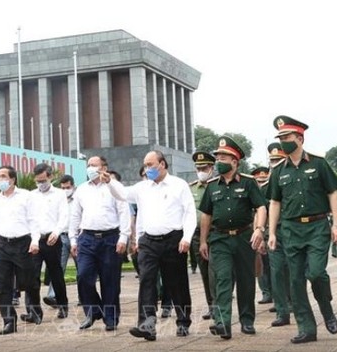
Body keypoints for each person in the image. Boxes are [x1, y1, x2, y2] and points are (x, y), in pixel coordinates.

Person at [267, 116, 337, 344]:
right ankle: (307, 328)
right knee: (296, 280)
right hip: (290, 229)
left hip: (317, 227)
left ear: (300, 138)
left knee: (316, 273)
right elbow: (274, 203)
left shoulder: (319, 164)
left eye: (286, 137)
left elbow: (333, 193)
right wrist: (272, 233)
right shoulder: (279, 170)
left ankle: (326, 308)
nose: (283, 142)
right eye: (280, 138)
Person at [105, 150, 196, 341]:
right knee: (146, 280)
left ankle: (183, 320)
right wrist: (110, 181)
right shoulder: (142, 187)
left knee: (176, 282)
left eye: (151, 165)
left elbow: (189, 213)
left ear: (162, 164)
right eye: (145, 165)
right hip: (149, 241)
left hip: (174, 239)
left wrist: (186, 237)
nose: (147, 169)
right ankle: (147, 323)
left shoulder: (178, 185)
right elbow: (122, 194)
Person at [199, 136, 267, 340]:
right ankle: (222, 323)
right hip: (219, 239)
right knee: (222, 279)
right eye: (217, 157)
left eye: (223, 157)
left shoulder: (248, 183)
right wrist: (203, 240)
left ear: (235, 162)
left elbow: (261, 207)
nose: (218, 160)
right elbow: (206, 215)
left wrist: (260, 229)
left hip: (244, 237)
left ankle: (247, 320)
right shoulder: (212, 186)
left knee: (246, 280)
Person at [69, 156, 130, 331]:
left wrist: (123, 237)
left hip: (110, 238)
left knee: (110, 281)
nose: (90, 168)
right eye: (88, 165)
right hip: (87, 238)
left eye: (94, 165)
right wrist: (73, 239)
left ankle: (110, 317)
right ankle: (93, 310)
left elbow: (123, 211)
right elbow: (75, 215)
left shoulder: (114, 187)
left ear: (104, 167)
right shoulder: (81, 190)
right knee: (83, 276)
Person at [0, 165, 40, 335]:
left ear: (12, 179)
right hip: (3, 244)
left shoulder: (26, 196)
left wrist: (35, 241)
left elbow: (34, 220)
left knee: (29, 282)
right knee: (2, 285)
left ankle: (35, 308)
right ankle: (9, 321)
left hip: (23, 244)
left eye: (4, 176)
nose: (0, 180)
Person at [28, 163, 69, 320]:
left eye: (43, 180)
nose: (41, 184)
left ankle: (63, 305)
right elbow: (30, 219)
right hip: (35, 240)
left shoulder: (59, 194)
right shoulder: (31, 195)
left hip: (52, 239)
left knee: (56, 274)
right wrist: (33, 239)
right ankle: (34, 310)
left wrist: (57, 232)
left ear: (50, 177)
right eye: (38, 181)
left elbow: (64, 216)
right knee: (32, 276)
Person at [263, 142, 292, 326]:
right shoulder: (264, 187)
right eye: (272, 160)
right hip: (274, 233)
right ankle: (282, 310)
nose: (274, 164)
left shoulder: (292, 179)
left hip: (293, 230)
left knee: (295, 271)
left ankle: (294, 302)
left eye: (278, 160)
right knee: (277, 271)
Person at [189, 151, 217, 320]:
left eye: (204, 167)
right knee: (205, 273)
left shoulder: (217, 185)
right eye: (198, 168)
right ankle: (211, 306)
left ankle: (218, 305)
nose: (201, 170)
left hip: (216, 234)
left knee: (215, 272)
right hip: (198, 236)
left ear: (211, 168)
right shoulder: (191, 188)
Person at [44, 174, 77, 306]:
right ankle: (52, 295)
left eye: (67, 187)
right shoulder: (56, 199)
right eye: (62, 188)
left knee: (82, 268)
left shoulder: (78, 198)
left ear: (73, 186)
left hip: (76, 236)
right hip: (61, 236)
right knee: (57, 267)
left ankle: (84, 296)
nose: (65, 190)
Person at [251, 166, 273, 306]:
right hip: (254, 232)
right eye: (259, 180)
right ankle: (265, 292)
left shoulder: (270, 192)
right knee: (260, 263)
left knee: (273, 265)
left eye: (264, 180)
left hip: (270, 231)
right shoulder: (251, 192)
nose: (261, 183)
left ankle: (277, 294)